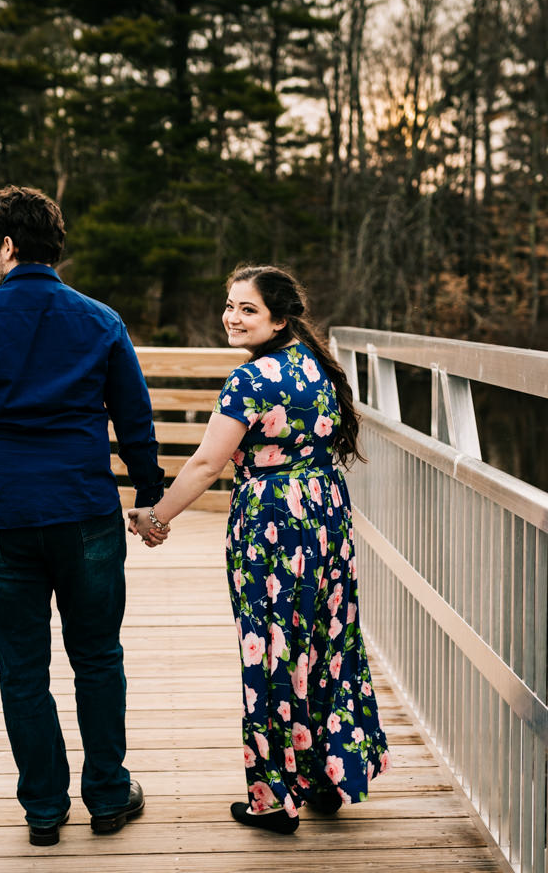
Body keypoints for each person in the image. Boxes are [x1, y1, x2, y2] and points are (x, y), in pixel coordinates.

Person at [0, 186, 161, 847]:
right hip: (84, 510)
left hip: (0, 516)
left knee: (21, 666)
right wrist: (146, 493)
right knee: (98, 657)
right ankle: (109, 796)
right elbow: (134, 421)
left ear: (8, 245)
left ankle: (44, 809)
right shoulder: (100, 321)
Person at [128, 264, 389, 834]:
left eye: (247, 308)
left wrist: (156, 517)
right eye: (229, 304)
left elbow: (205, 463)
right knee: (324, 639)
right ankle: (325, 776)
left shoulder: (250, 380)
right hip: (324, 513)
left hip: (272, 521)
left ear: (279, 317)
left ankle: (274, 799)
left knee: (272, 647)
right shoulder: (317, 366)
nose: (232, 316)